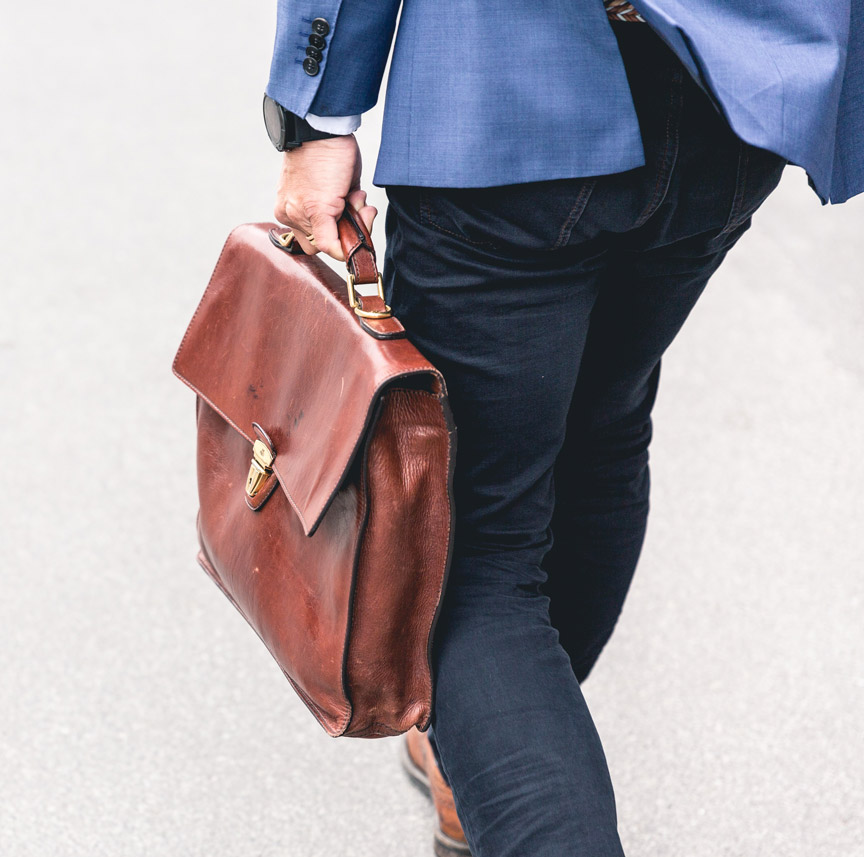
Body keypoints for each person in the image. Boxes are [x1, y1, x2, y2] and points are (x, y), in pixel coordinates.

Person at [262, 1, 863, 855]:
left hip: (509, 99)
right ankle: (492, 751)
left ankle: (503, 754)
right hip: (733, 98)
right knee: (603, 428)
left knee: (470, 548)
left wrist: (317, 112)